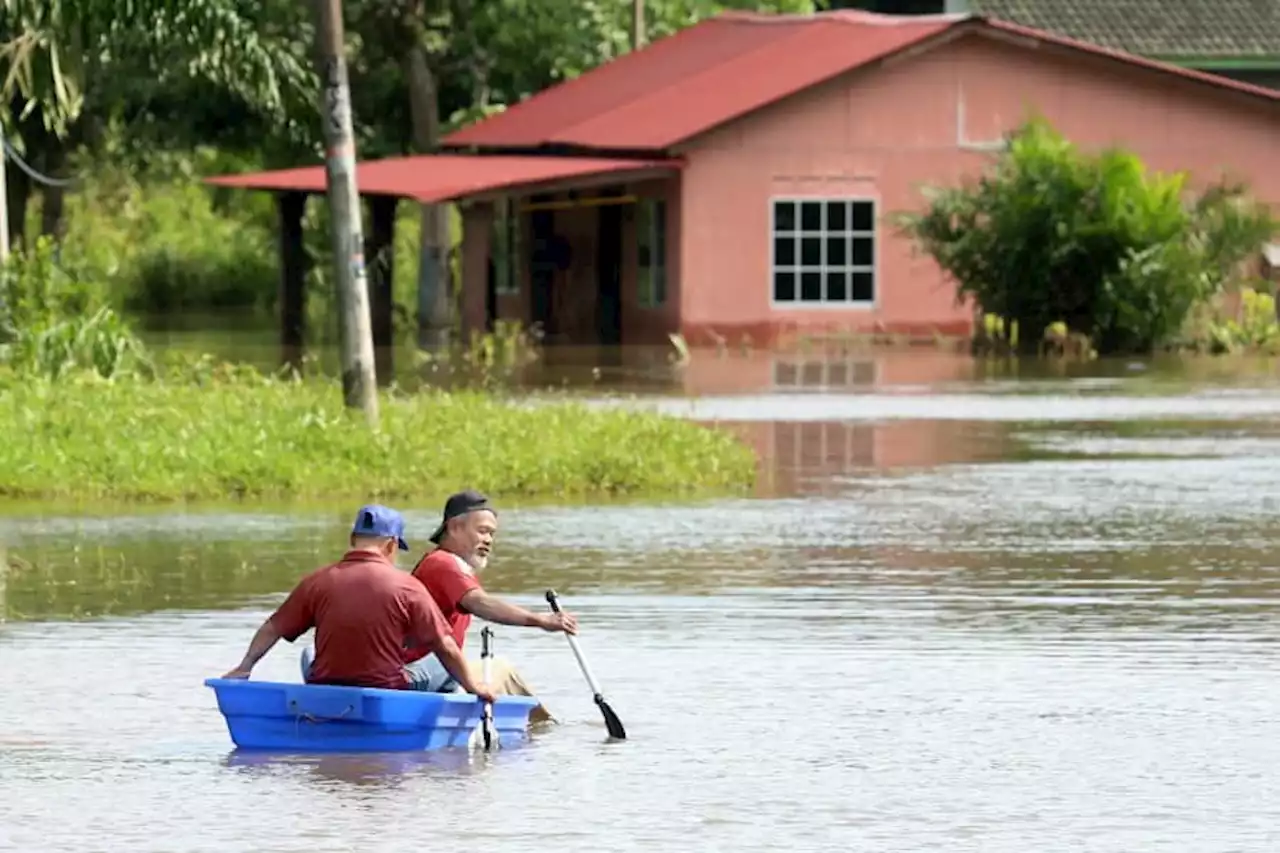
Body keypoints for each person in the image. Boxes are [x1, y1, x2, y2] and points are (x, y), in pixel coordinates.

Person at [220, 503, 495, 703]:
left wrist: (245, 667)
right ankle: (434, 721)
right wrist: (475, 687)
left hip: (326, 685)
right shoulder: (408, 587)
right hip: (387, 692)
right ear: (390, 545)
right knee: (446, 662)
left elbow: (273, 627)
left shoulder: (317, 581)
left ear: (353, 540)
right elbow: (445, 645)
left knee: (308, 655)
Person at [404, 490, 577, 723]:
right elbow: (480, 603)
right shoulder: (443, 563)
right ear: (454, 527)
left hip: (430, 670)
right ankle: (542, 730)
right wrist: (541, 620)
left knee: (495, 671)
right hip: (418, 671)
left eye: (492, 534)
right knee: (503, 670)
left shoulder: (452, 565)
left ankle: (539, 726)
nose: (488, 540)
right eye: (482, 531)